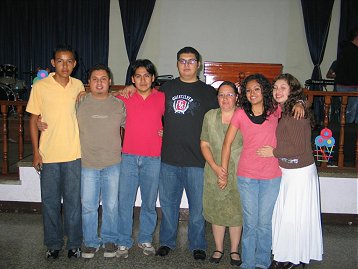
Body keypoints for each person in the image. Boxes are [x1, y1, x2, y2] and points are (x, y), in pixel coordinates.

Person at [221, 74, 304, 269]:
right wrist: (223, 170)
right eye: (248, 90)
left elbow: (293, 100)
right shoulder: (240, 113)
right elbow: (227, 143)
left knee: (265, 224)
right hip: (247, 177)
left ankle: (262, 263)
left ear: (264, 90)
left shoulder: (275, 109)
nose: (252, 93)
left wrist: (300, 102)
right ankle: (248, 263)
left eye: (256, 89)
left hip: (271, 177)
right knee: (250, 224)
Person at [155, 46, 219, 260]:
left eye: (191, 61)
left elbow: (218, 122)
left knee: (197, 209)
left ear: (198, 64)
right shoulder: (166, 89)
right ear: (176, 64)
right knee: (169, 206)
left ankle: (198, 245)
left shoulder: (209, 92)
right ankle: (166, 242)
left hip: (197, 160)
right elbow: (147, 106)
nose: (187, 65)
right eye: (182, 61)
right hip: (169, 158)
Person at [257, 73, 323, 269]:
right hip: (290, 171)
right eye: (275, 87)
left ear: (292, 90)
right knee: (291, 215)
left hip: (299, 173)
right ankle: (292, 255)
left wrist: (273, 152)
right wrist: (302, 101)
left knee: (293, 216)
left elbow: (299, 148)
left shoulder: (295, 113)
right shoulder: (287, 108)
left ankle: (289, 258)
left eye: (283, 87)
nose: (278, 91)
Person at [26, 44, 84, 259]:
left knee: (73, 203)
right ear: (53, 63)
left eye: (69, 61)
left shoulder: (79, 86)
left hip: (73, 154)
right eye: (60, 61)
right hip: (49, 155)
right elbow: (33, 120)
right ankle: (53, 244)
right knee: (50, 203)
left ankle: (75, 244)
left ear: (75, 64)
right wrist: (36, 153)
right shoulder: (41, 87)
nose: (65, 65)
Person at [115, 59, 165, 258]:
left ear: (153, 78)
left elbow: (177, 119)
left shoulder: (162, 98)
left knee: (149, 203)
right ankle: (123, 241)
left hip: (153, 158)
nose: (143, 79)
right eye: (138, 76)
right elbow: (102, 99)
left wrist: (166, 131)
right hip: (128, 157)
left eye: (146, 75)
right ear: (132, 79)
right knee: (124, 203)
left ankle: (145, 239)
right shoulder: (124, 97)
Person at [77, 65, 126, 258]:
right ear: (88, 82)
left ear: (110, 82)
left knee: (111, 205)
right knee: (88, 205)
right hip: (87, 163)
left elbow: (134, 125)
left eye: (103, 79)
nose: (99, 82)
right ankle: (90, 242)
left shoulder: (118, 104)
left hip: (113, 162)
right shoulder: (79, 102)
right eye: (95, 79)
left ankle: (109, 240)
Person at [200, 81, 243, 266]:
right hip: (213, 170)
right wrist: (217, 168)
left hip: (239, 171)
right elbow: (204, 144)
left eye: (229, 95)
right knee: (216, 210)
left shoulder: (243, 116)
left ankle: (234, 250)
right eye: (221, 95)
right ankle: (218, 248)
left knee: (236, 212)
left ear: (237, 97)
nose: (225, 99)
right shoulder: (210, 116)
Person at [335, 27, 358, 123]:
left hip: (347, 85)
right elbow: (353, 71)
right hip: (349, 86)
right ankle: (346, 136)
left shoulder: (347, 50)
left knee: (349, 114)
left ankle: (347, 135)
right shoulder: (351, 51)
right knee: (349, 115)